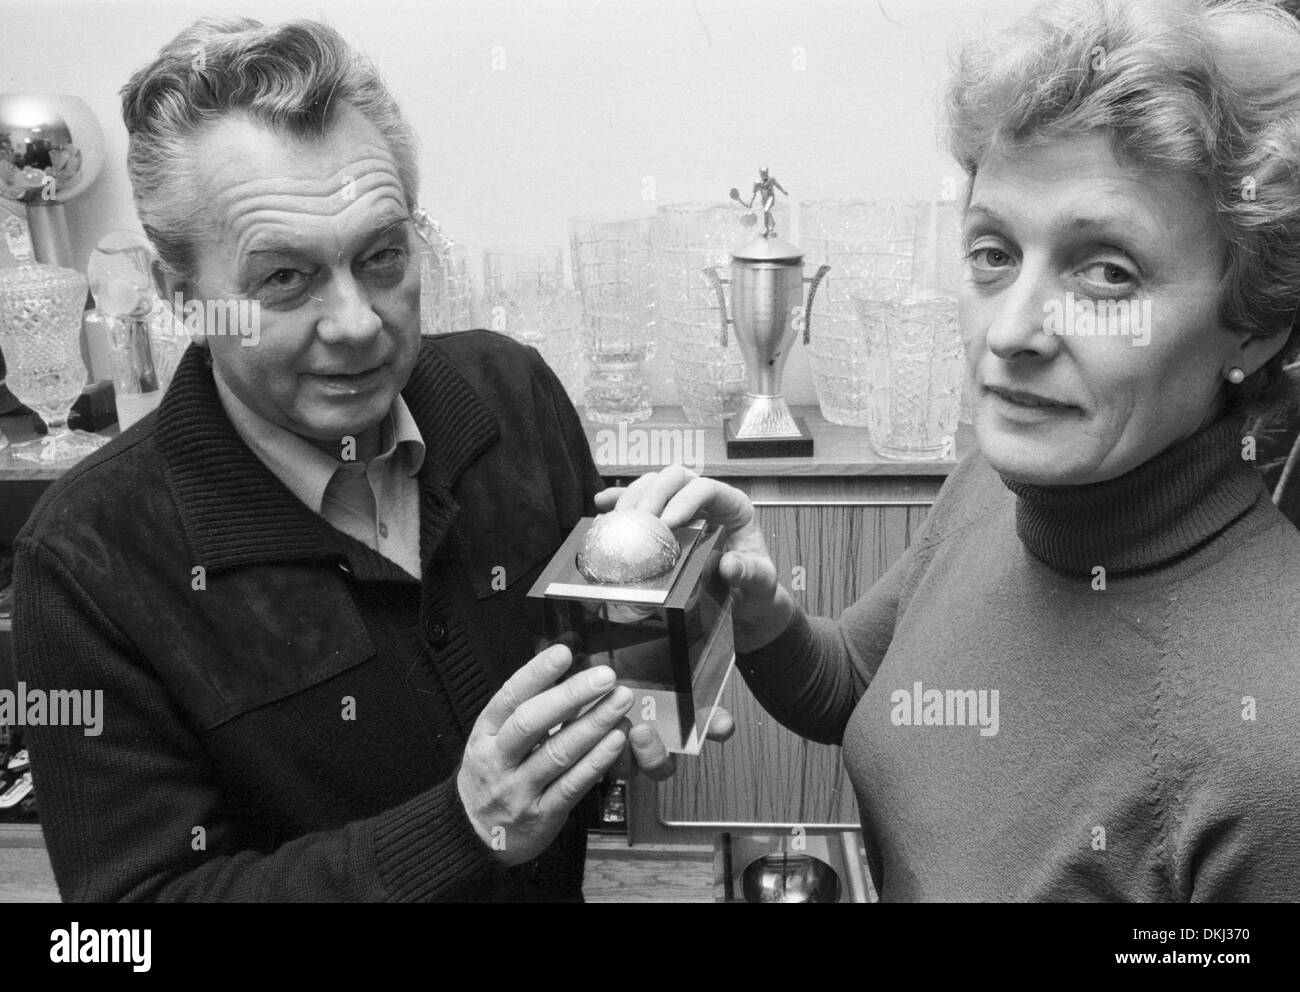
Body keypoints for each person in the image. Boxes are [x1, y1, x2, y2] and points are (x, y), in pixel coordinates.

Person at [11, 17, 712, 902]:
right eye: (283, 280)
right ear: (180, 296)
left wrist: (670, 650)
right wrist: (459, 834)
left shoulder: (512, 394)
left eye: (382, 256)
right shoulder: (86, 561)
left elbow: (592, 644)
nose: (357, 324)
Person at [614, 0, 1300, 900]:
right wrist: (759, 604)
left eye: (1107, 273)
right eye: (993, 252)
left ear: (1252, 326)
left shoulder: (1271, 738)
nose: (1011, 332)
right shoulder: (999, 482)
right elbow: (858, 684)